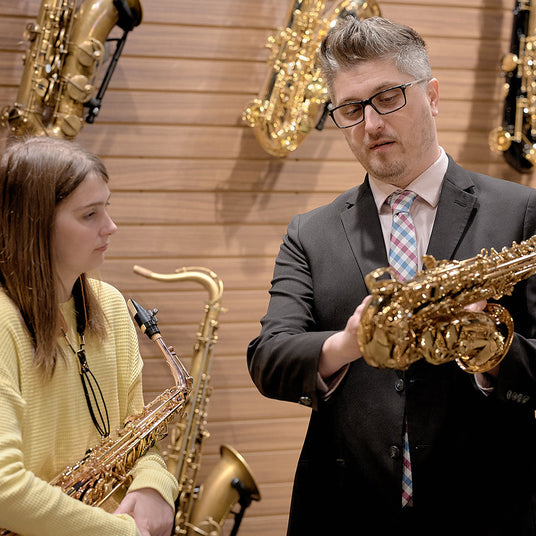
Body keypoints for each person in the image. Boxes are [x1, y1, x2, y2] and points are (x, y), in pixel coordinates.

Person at [247, 16, 536, 536]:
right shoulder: (309, 232)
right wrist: (344, 344)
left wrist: (493, 351)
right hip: (343, 512)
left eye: (388, 98)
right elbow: (268, 359)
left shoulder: (521, 211)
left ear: (432, 95)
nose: (371, 124)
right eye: (351, 109)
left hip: (489, 510)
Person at [0, 136, 179, 536]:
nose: (110, 226)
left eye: (107, 208)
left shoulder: (112, 306)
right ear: (35, 223)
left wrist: (154, 484)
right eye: (89, 215)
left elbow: (138, 437)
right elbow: (5, 489)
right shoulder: (3, 323)